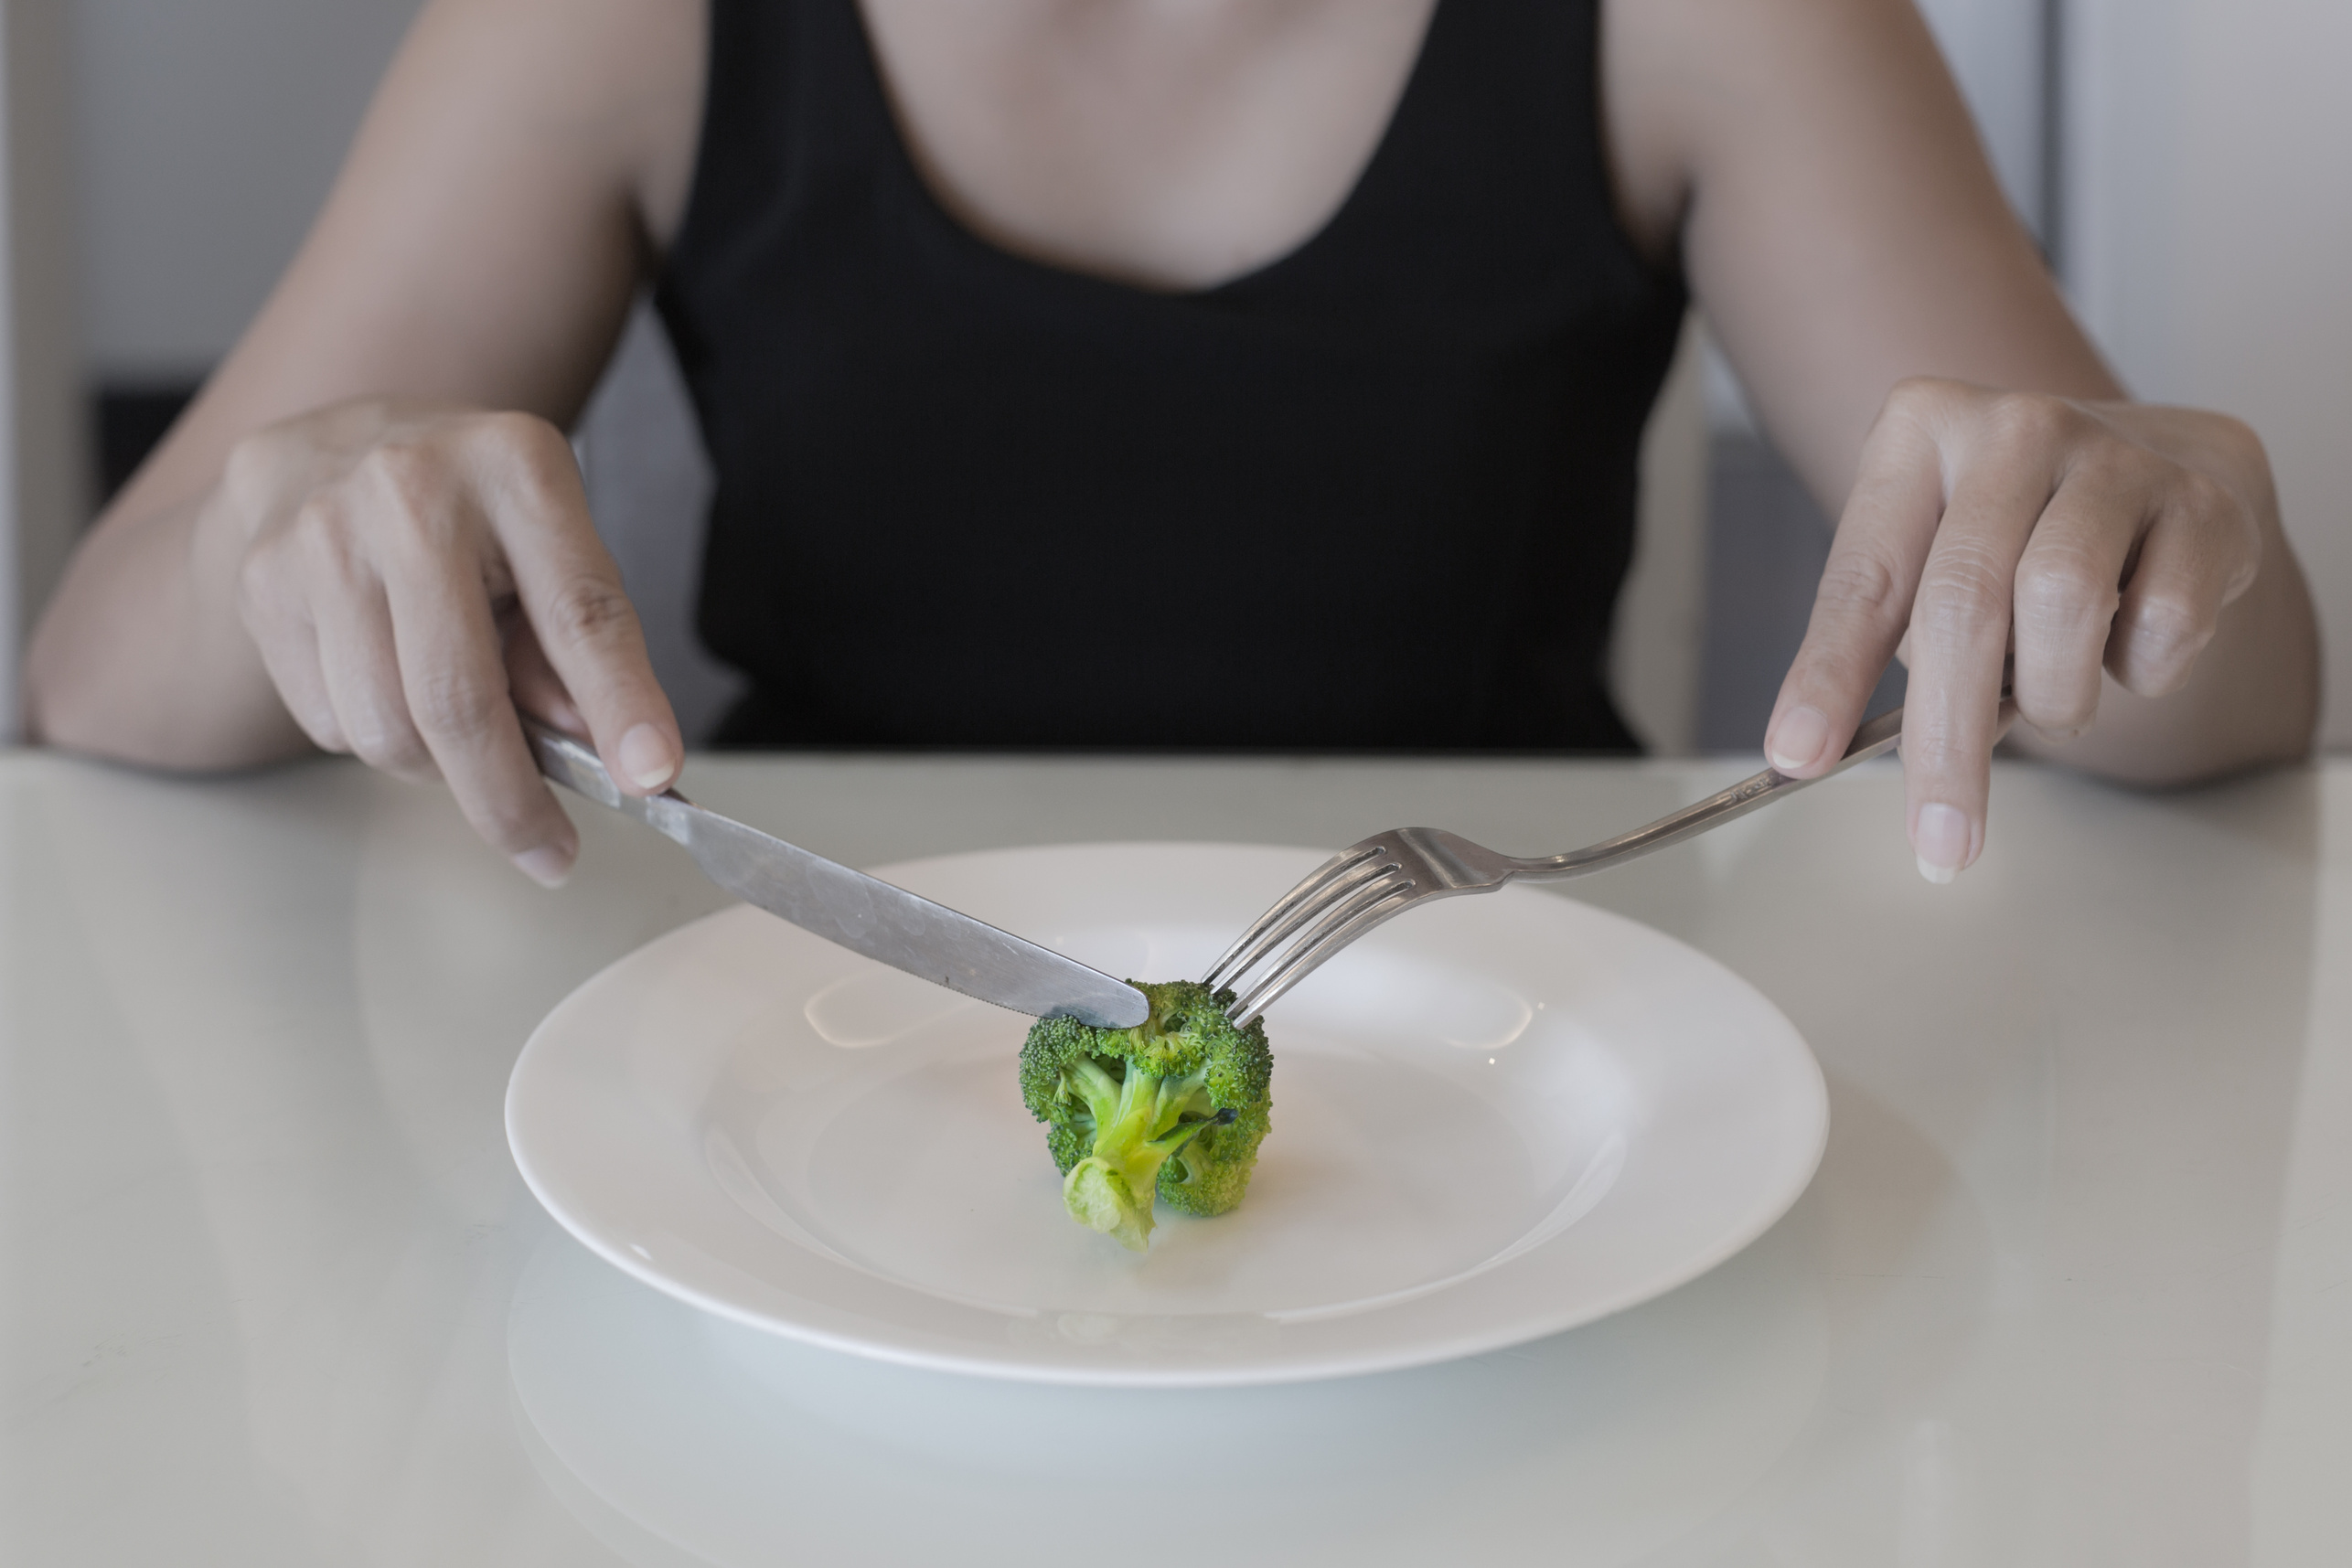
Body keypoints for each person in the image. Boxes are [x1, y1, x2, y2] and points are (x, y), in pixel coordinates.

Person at [24, 0, 2320, 891]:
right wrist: (277, 527)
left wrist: (2168, 527)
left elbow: (2220, 718)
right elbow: (97, 677)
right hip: (803, 1049)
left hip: (1529, 1054)